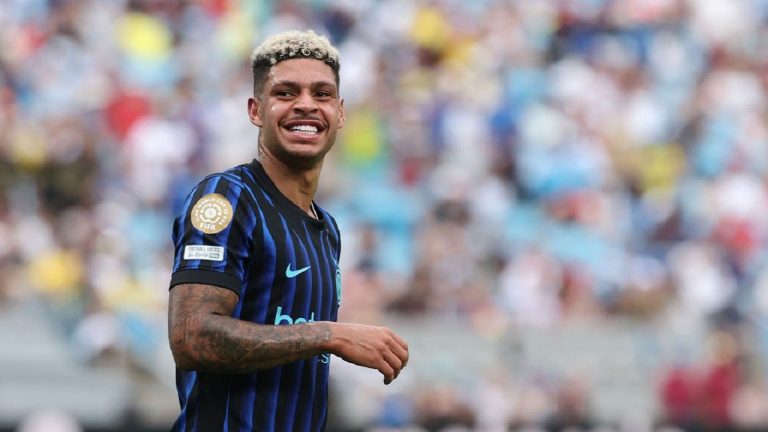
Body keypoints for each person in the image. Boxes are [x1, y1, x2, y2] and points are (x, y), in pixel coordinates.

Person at [167, 30, 409, 432]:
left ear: (340, 113)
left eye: (322, 94)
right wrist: (328, 335)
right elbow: (191, 337)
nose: (306, 105)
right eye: (285, 93)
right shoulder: (228, 197)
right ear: (256, 110)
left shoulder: (327, 229)